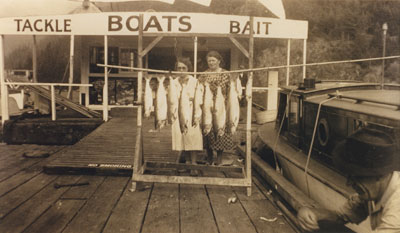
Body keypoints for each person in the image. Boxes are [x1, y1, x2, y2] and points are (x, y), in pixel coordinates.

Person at [297, 128, 400, 232]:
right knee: (322, 224)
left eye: (356, 177)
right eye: (349, 177)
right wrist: (311, 213)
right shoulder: (372, 191)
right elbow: (339, 216)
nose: (348, 183)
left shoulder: (396, 208)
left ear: (381, 175)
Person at [199, 51, 235, 165]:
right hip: (207, 105)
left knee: (220, 130)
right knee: (208, 131)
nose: (211, 63)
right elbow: (199, 87)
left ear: (219, 61)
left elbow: (229, 89)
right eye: (209, 61)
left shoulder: (225, 73)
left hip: (221, 105)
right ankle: (209, 158)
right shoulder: (204, 74)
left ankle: (219, 159)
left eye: (213, 60)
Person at [171, 57, 203, 176]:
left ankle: (193, 164)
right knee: (181, 137)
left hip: (192, 112)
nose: (181, 70)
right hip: (178, 112)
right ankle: (186, 162)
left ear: (188, 69)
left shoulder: (195, 82)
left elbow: (200, 97)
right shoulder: (173, 82)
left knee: (193, 137)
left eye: (184, 68)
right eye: (179, 68)